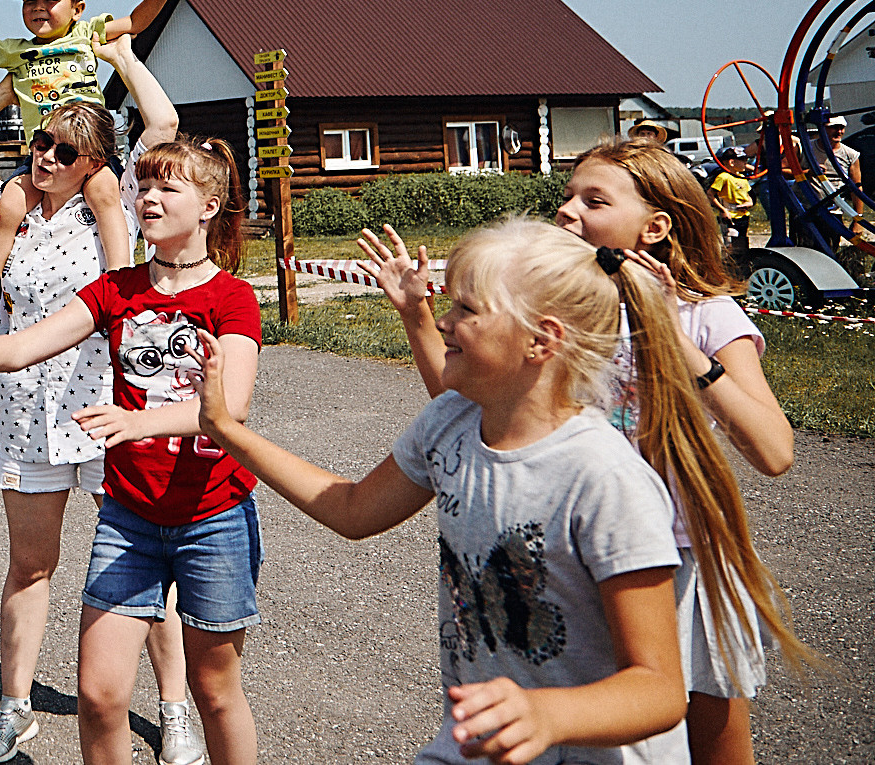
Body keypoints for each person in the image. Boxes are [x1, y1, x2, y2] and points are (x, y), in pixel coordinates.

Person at [362, 138, 808, 765]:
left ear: (655, 226)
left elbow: (774, 450)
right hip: (568, 559)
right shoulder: (550, 308)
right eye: (567, 195)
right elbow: (467, 413)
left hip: (676, 560)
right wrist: (417, 320)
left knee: (708, 737)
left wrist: (677, 346)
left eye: (594, 200)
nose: (568, 211)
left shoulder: (706, 315)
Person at [198, 219, 694, 764]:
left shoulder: (603, 477)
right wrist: (225, 427)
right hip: (476, 746)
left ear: (542, 339)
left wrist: (548, 714)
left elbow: (660, 690)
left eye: (467, 310)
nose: (443, 320)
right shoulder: (450, 422)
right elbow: (352, 509)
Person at [0, 134, 263, 765]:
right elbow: (22, 346)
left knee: (216, 692)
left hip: (212, 515)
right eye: (143, 187)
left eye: (166, 189)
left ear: (207, 206)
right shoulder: (117, 289)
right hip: (130, 516)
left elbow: (226, 411)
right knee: (97, 698)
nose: (147, 199)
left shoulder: (230, 298)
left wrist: (138, 422)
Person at [0, 0, 193, 329]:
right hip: (43, 155)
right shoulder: (14, 51)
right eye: (29, 0)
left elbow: (133, 23)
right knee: (8, 206)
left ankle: (119, 284)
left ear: (78, 8)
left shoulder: (86, 34)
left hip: (90, 154)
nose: (37, 6)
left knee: (107, 197)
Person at [707, 150, 755, 260]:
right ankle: (729, 265)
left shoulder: (742, 177)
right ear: (732, 162)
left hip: (742, 215)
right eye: (742, 160)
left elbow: (747, 194)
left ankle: (742, 263)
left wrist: (749, 203)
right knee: (730, 243)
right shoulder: (723, 177)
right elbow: (710, 194)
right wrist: (723, 209)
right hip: (730, 216)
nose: (745, 163)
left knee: (743, 242)